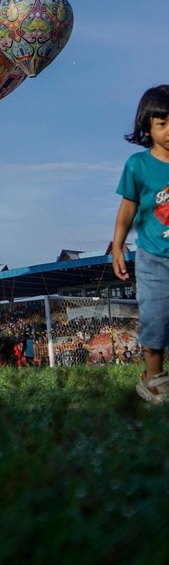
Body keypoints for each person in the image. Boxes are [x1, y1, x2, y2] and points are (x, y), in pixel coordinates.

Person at [112, 85, 169, 404]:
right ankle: (155, 380)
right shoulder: (138, 165)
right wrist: (118, 247)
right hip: (153, 259)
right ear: (147, 127)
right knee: (156, 317)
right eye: (162, 124)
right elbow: (127, 210)